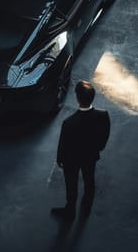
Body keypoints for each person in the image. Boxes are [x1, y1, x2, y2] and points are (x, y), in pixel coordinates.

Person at [51, 80, 110, 222]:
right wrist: (99, 147)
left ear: (77, 99)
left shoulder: (69, 123)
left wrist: (60, 159)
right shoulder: (103, 116)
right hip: (90, 156)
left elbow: (63, 145)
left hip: (72, 160)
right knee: (89, 181)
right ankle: (86, 208)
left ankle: (70, 210)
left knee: (72, 185)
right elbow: (105, 134)